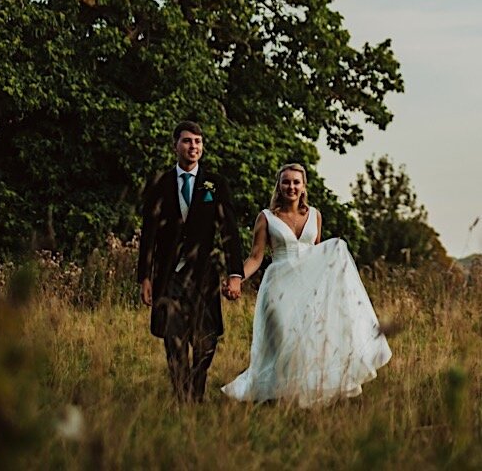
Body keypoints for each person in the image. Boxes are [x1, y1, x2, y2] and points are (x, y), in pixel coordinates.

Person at [221, 163, 392, 407]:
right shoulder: (266, 217)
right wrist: (236, 277)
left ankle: (295, 399)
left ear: (303, 187)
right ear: (279, 186)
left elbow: (318, 254)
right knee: (280, 341)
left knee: (305, 344)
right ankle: (269, 395)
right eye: (286, 182)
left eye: (296, 182)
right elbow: (256, 257)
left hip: (308, 291)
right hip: (278, 290)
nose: (291, 186)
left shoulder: (315, 215)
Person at [137, 121, 246, 402]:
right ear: (175, 145)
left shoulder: (214, 184)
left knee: (206, 340)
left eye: (197, 142)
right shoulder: (159, 184)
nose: (193, 147)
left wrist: (236, 273)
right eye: (187, 141)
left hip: (204, 275)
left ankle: (196, 388)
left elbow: (229, 230)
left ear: (202, 147)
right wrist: (145, 277)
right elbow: (148, 232)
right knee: (174, 339)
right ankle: (182, 396)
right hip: (169, 276)